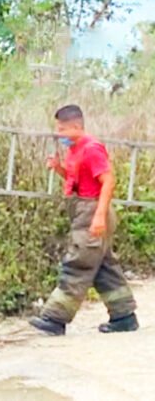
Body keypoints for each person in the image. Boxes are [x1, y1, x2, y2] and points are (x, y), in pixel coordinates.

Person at [30, 105, 139, 336]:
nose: (58, 134)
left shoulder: (91, 149)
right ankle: (124, 316)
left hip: (92, 211)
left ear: (77, 127)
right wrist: (59, 168)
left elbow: (108, 181)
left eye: (62, 129)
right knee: (103, 267)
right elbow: (78, 181)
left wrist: (99, 216)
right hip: (83, 210)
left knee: (78, 263)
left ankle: (55, 319)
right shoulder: (74, 150)